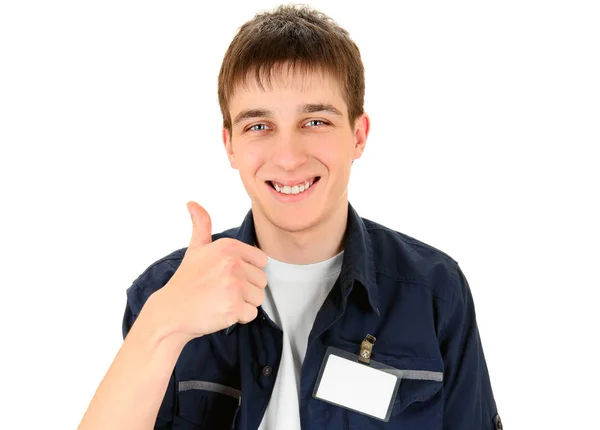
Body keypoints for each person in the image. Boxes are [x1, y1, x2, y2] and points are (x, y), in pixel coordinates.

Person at [79, 4, 501, 430]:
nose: (287, 158)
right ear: (230, 146)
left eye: (315, 121)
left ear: (358, 136)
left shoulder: (436, 294)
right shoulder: (162, 294)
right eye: (259, 126)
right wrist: (164, 324)